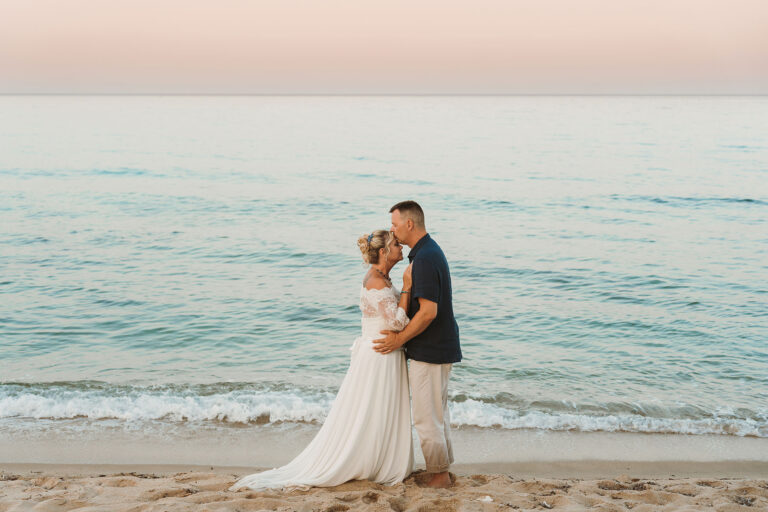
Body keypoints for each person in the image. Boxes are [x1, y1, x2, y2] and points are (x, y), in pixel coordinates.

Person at [230, 230, 414, 491]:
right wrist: (407, 286)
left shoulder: (380, 278)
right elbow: (396, 321)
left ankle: (378, 458)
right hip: (380, 354)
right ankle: (368, 461)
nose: (401, 247)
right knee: (372, 409)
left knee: (376, 409)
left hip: (381, 352)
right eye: (396, 244)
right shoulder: (377, 282)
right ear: (383, 252)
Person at [373, 200, 461, 489]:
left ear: (409, 224)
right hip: (438, 346)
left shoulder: (423, 259)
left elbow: (428, 312)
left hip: (431, 349)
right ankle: (441, 469)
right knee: (436, 413)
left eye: (395, 225)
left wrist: (399, 339)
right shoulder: (427, 252)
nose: (392, 230)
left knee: (426, 417)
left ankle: (439, 476)